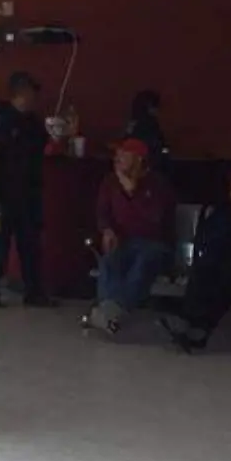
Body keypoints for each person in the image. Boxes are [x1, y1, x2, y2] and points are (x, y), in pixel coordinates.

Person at [161, 168, 231, 353]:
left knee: (228, 277)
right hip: (217, 258)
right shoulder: (224, 211)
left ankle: (200, 327)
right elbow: (206, 234)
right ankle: (189, 322)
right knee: (204, 269)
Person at [86, 139, 177, 335]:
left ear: (138, 159)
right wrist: (107, 230)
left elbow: (154, 218)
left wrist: (132, 190)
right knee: (109, 260)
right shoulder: (110, 181)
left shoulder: (158, 184)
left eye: (123, 154)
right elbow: (102, 212)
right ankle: (109, 312)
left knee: (144, 260)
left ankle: (111, 312)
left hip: (154, 243)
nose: (117, 158)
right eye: (117, 153)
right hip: (123, 241)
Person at [0, 72, 54, 308]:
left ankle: (34, 292)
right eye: (32, 92)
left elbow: (44, 147)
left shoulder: (34, 123)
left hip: (28, 196)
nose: (35, 97)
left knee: (30, 245)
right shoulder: (0, 122)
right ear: (21, 93)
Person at [123, 90, 170, 161]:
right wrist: (166, 151)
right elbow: (159, 149)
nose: (157, 110)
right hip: (147, 162)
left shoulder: (133, 124)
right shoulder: (150, 126)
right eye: (155, 106)